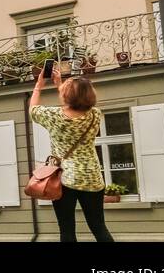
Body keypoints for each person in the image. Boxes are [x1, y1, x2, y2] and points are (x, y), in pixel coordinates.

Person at [31, 70, 113, 243]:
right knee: (98, 226)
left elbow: (33, 110)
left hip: (64, 179)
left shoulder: (53, 116)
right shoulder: (95, 115)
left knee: (66, 229)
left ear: (66, 95)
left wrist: (39, 86)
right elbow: (77, 101)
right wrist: (61, 84)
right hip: (91, 178)